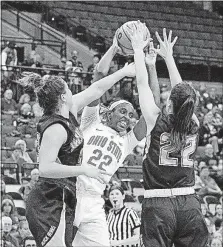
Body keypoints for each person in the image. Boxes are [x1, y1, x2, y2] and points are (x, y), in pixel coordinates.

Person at [18, 58, 136, 247]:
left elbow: (96, 89)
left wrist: (123, 72)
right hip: (47, 200)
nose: (73, 91)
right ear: (63, 97)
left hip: (64, 196)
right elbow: (45, 168)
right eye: (68, 88)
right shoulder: (55, 128)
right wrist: (83, 169)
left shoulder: (70, 110)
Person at [72, 25, 156, 247]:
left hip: (94, 202)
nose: (128, 118)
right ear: (108, 113)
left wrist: (150, 66)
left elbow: (152, 110)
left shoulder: (127, 141)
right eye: (123, 111)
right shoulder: (91, 121)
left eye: (131, 115)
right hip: (70, 191)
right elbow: (98, 77)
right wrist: (114, 48)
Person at [130, 26, 209, 246]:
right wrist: (169, 58)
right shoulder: (193, 122)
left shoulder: (155, 119)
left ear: (170, 103)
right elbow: (183, 92)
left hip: (159, 204)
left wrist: (137, 50)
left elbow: (141, 83)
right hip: (189, 204)